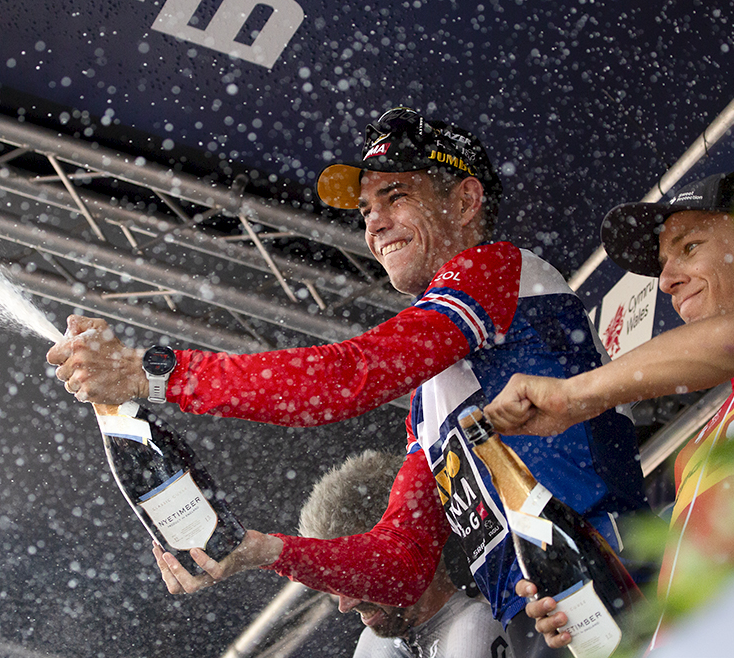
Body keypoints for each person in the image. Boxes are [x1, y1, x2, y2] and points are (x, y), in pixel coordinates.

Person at [47, 106, 646, 657]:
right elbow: (402, 564)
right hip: (539, 612)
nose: (374, 223)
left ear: (465, 201)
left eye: (395, 195)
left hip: (603, 567)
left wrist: (150, 374)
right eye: (365, 210)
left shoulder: (494, 268)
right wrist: (258, 549)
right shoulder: (429, 404)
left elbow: (346, 379)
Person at [484, 171, 734, 651]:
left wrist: (576, 395)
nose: (667, 280)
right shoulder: (699, 449)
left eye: (689, 247)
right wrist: (594, 611)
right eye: (664, 264)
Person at [298, 450, 511, 658]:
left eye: (354, 578)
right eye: (335, 583)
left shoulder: (473, 627)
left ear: (406, 551)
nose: (344, 606)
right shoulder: (375, 644)